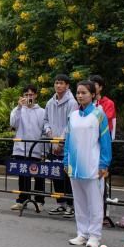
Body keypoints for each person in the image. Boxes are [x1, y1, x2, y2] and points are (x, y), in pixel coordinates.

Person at [64, 80, 112, 247]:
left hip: (93, 166)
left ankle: (94, 235)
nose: (80, 95)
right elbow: (68, 140)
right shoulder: (73, 115)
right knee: (79, 201)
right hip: (75, 166)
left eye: (84, 93)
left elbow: (106, 142)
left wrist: (104, 164)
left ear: (93, 95)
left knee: (95, 202)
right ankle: (82, 233)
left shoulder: (99, 115)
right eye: (78, 92)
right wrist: (65, 160)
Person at [43, 74, 79, 218]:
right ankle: (60, 203)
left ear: (67, 86)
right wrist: (48, 131)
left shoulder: (72, 103)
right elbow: (45, 120)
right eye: (56, 83)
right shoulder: (50, 102)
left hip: (67, 146)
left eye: (62, 83)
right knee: (56, 174)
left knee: (68, 176)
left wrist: (61, 140)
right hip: (53, 144)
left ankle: (71, 205)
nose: (58, 85)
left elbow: (71, 124)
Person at [9, 84, 46, 210]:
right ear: (22, 96)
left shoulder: (42, 112)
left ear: (35, 95)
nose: (29, 97)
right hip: (20, 148)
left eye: (31, 95)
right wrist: (19, 107)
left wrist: (44, 151)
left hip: (36, 149)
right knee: (23, 175)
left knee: (38, 176)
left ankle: (39, 201)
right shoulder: (17, 110)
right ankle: (22, 200)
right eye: (26, 95)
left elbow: (44, 130)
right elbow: (13, 123)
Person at [89, 75, 117, 139]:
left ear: (100, 87)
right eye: (89, 84)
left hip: (104, 135)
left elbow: (104, 120)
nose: (91, 86)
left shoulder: (108, 103)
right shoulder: (85, 102)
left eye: (94, 84)